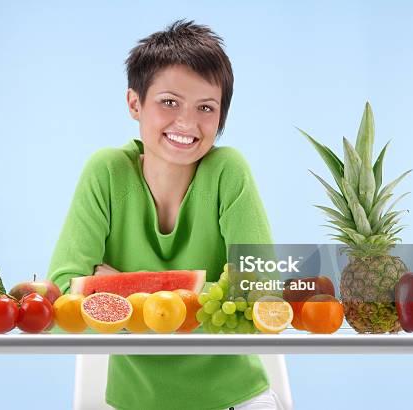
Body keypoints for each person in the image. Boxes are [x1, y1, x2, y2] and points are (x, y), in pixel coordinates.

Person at [47, 20, 282, 410]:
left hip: (239, 401)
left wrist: (122, 286)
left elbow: (260, 293)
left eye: (205, 107)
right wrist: (192, 297)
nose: (187, 123)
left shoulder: (229, 171)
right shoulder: (106, 173)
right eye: (169, 102)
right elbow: (61, 298)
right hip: (130, 403)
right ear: (134, 103)